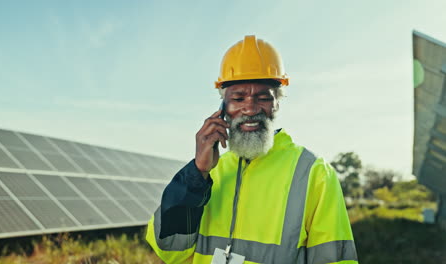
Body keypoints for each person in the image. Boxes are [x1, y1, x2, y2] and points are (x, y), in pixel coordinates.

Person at [146, 35, 358, 264]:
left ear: (277, 102)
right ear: (222, 106)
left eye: (263, 98)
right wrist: (197, 174)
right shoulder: (206, 172)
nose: (250, 108)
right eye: (238, 98)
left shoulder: (315, 174)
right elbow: (168, 251)